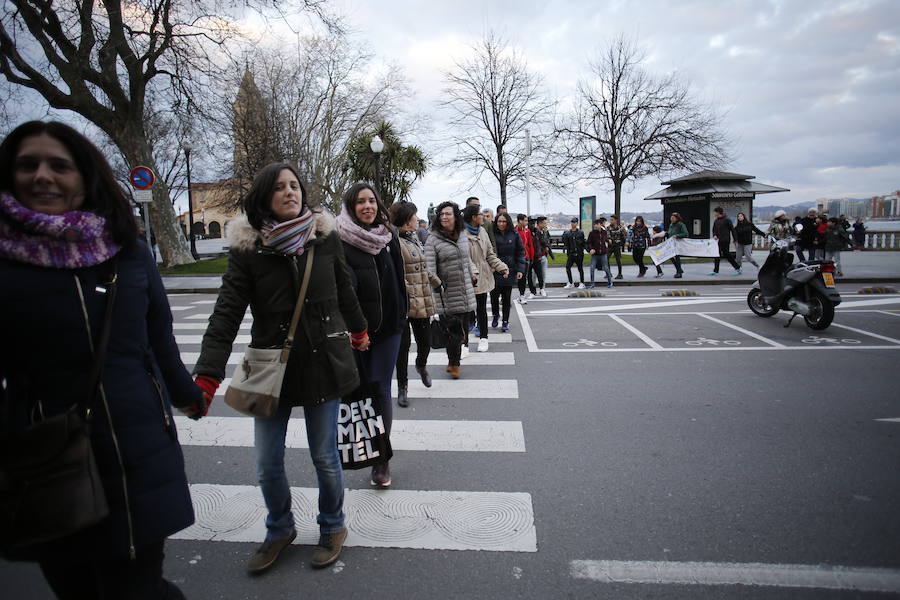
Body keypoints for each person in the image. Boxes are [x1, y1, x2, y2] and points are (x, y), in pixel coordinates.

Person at [0, 120, 207, 597]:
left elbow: (158, 336)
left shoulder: (128, 253)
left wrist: (186, 394)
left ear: (85, 176)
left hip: (136, 447)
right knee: (76, 584)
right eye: (27, 165)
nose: (43, 176)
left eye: (59, 165)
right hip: (46, 455)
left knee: (136, 581)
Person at [194, 163, 368, 574]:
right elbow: (227, 313)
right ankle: (279, 528)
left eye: (294, 186)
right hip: (271, 368)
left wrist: (359, 330)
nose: (290, 192)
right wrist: (207, 373)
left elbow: (344, 288)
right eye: (279, 188)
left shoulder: (324, 239)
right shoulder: (248, 250)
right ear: (263, 198)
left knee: (324, 457)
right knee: (266, 462)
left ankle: (332, 526)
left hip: (324, 363)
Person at [336, 182, 406, 488]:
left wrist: (403, 314)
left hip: (389, 329)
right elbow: (341, 289)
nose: (368, 206)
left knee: (380, 389)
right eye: (361, 202)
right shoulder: (339, 241)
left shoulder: (389, 237)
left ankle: (381, 460)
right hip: (356, 331)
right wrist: (353, 329)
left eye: (372, 201)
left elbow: (399, 280)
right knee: (356, 392)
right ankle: (352, 451)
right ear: (351, 207)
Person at [390, 201, 440, 408]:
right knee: (402, 349)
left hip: (422, 301)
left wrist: (436, 282)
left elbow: (421, 268)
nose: (417, 220)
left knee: (425, 342)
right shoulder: (393, 242)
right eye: (414, 217)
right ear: (405, 219)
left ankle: (421, 365)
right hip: (404, 304)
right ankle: (403, 387)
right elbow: (393, 274)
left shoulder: (415, 239)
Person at [425, 201, 477, 379]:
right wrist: (438, 285)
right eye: (441, 214)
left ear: (456, 216)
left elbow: (466, 259)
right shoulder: (432, 239)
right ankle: (455, 364)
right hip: (445, 293)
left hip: (465, 290)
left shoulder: (463, 234)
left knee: (461, 331)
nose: (444, 217)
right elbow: (429, 268)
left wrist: (473, 272)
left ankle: (451, 360)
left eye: (448, 214)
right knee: (455, 332)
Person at [464, 204, 508, 352]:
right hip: (467, 277)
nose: (483, 216)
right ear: (473, 217)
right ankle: (463, 343)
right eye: (480, 214)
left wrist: (502, 267)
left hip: (482, 277)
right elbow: (463, 257)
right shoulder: (460, 234)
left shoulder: (482, 231)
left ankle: (484, 338)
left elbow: (490, 254)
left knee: (481, 309)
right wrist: (473, 271)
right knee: (465, 312)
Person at [490, 212, 525, 333]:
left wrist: (520, 269)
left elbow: (520, 252)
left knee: (506, 298)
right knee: (494, 297)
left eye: (504, 221)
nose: (501, 224)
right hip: (495, 269)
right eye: (499, 221)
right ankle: (495, 315)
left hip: (509, 270)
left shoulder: (514, 234)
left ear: (508, 222)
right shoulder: (492, 234)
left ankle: (505, 321)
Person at [709, 206, 742, 276]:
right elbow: (714, 230)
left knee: (727, 255)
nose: (714, 214)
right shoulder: (716, 221)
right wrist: (714, 235)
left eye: (715, 212)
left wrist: (735, 239)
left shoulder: (727, 220)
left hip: (725, 240)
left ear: (718, 212)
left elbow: (733, 230)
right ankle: (716, 271)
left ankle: (738, 268)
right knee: (717, 255)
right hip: (717, 241)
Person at [586, 217, 613, 288]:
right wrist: (591, 249)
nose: (595, 225)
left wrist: (608, 241)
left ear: (600, 225)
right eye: (595, 224)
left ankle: (610, 282)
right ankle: (592, 283)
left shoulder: (604, 232)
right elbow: (588, 243)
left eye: (597, 224)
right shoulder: (592, 233)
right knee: (592, 268)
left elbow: (606, 239)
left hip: (603, 253)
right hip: (595, 254)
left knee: (606, 268)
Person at [514, 213, 535, 304]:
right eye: (525, 220)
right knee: (514, 278)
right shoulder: (514, 231)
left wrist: (531, 256)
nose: (527, 222)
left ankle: (522, 295)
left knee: (523, 278)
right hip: (515, 258)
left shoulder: (527, 231)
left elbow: (530, 244)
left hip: (525, 257)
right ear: (520, 221)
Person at [561, 217, 586, 288]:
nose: (573, 224)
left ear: (577, 223)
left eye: (574, 222)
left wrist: (587, 249)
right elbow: (566, 243)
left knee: (580, 268)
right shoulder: (568, 233)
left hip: (579, 253)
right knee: (567, 267)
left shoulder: (580, 232)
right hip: (571, 253)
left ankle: (582, 282)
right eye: (572, 222)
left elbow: (583, 243)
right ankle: (571, 282)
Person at [532, 216, 553, 296]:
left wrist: (548, 248)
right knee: (534, 274)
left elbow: (548, 242)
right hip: (536, 256)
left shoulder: (545, 232)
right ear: (540, 223)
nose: (545, 224)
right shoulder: (535, 232)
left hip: (544, 256)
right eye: (544, 223)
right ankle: (533, 290)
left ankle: (542, 289)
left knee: (543, 274)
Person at [667, 212, 688, 278]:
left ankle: (679, 273)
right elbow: (670, 233)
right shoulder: (671, 225)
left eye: (673, 218)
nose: (672, 219)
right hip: (671, 243)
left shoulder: (681, 224)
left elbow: (685, 233)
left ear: (677, 218)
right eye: (671, 218)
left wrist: (677, 235)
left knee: (677, 257)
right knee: (670, 256)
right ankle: (679, 269)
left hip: (678, 243)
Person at [607, 215, 627, 279]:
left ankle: (620, 274)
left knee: (618, 260)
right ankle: (608, 273)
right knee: (606, 259)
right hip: (610, 246)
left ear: (616, 220)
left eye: (612, 220)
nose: (611, 221)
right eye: (610, 220)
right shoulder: (608, 228)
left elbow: (624, 235)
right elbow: (608, 235)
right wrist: (609, 240)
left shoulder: (620, 228)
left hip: (617, 246)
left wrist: (622, 243)